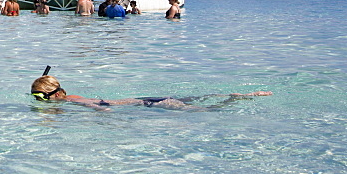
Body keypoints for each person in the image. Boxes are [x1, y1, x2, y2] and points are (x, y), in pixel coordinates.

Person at [30, 68, 272, 111]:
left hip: (150, 104)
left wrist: (110, 122)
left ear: (57, 94)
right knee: (197, 99)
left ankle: (237, 99)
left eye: (41, 98)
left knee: (205, 111)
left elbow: (96, 107)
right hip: (144, 101)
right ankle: (232, 96)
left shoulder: (72, 100)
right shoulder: (67, 99)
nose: (41, 102)